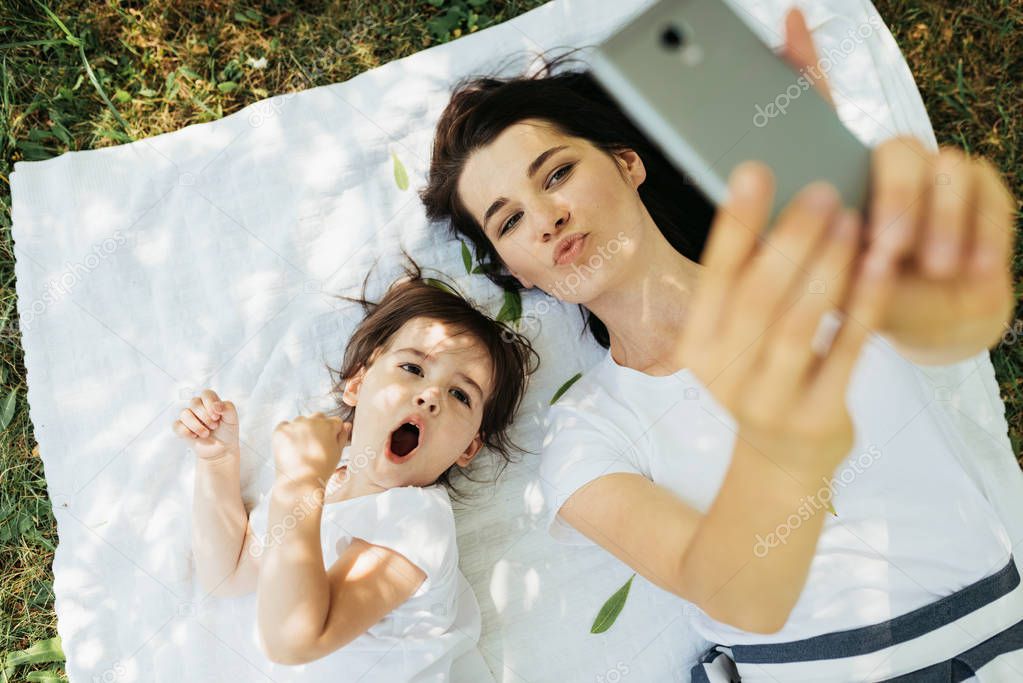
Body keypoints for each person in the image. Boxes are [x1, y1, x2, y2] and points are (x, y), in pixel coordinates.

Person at [420, 7, 1020, 680]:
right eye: (509, 220)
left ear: (627, 164)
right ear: (517, 273)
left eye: (556, 173)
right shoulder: (584, 435)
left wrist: (954, 275)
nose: (547, 216)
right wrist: (788, 448)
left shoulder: (811, 262)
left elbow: (951, 327)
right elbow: (731, 588)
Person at [172, 271, 537, 680]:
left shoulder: (417, 520)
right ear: (358, 384)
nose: (430, 395)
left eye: (460, 395)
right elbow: (229, 573)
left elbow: (295, 639)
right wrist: (218, 464)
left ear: (469, 447)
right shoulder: (322, 481)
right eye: (413, 368)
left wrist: (300, 484)